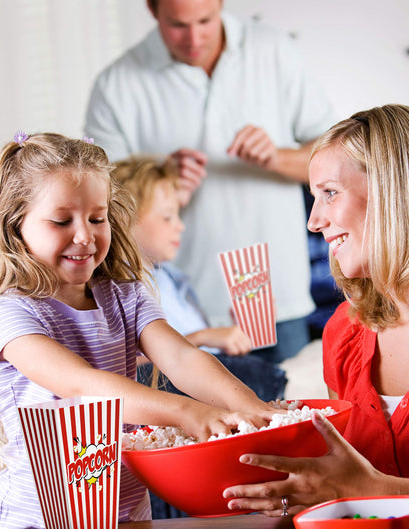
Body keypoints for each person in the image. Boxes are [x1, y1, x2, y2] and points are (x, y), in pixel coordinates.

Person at [0, 132, 278, 529]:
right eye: (62, 221)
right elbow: (83, 386)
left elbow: (182, 357)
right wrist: (187, 411)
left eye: (97, 219)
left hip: (126, 521)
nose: (85, 235)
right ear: (15, 226)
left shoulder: (124, 296)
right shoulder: (7, 312)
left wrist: (252, 408)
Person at [222, 104, 409, 529]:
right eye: (313, 198)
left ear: (398, 193)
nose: (314, 221)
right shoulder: (346, 332)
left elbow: (368, 489)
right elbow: (354, 492)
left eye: (330, 193)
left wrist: (373, 490)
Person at [84, 0, 337, 363]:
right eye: (178, 25)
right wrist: (161, 181)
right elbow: (99, 201)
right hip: (180, 306)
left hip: (279, 291)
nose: (194, 38)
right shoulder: (115, 84)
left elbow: (336, 159)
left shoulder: (273, 49)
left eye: (205, 20)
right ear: (152, 11)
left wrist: (277, 156)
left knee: (292, 404)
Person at [111, 155, 287, 404]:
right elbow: (125, 369)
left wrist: (234, 334)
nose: (180, 226)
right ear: (125, 221)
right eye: (167, 216)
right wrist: (204, 336)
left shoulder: (170, 278)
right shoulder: (120, 286)